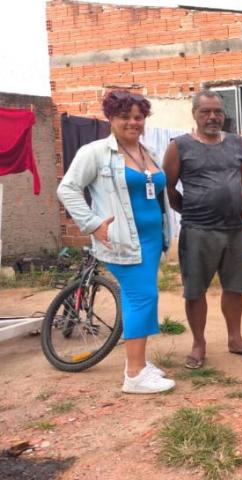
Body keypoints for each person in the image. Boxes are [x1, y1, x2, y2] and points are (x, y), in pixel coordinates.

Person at [57, 90, 175, 394]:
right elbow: (67, 189)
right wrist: (92, 223)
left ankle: (139, 363)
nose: (133, 122)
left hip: (151, 240)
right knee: (142, 297)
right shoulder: (95, 152)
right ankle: (134, 375)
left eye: (139, 117)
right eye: (125, 116)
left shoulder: (147, 150)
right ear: (110, 118)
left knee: (142, 298)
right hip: (122, 240)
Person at [162, 90, 242, 369]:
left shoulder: (236, 143)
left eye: (218, 111)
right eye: (206, 111)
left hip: (235, 229)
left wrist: (227, 201)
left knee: (235, 286)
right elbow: (169, 187)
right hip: (198, 230)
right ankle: (199, 344)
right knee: (195, 290)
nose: (213, 117)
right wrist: (192, 210)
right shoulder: (179, 146)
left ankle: (236, 339)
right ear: (194, 114)